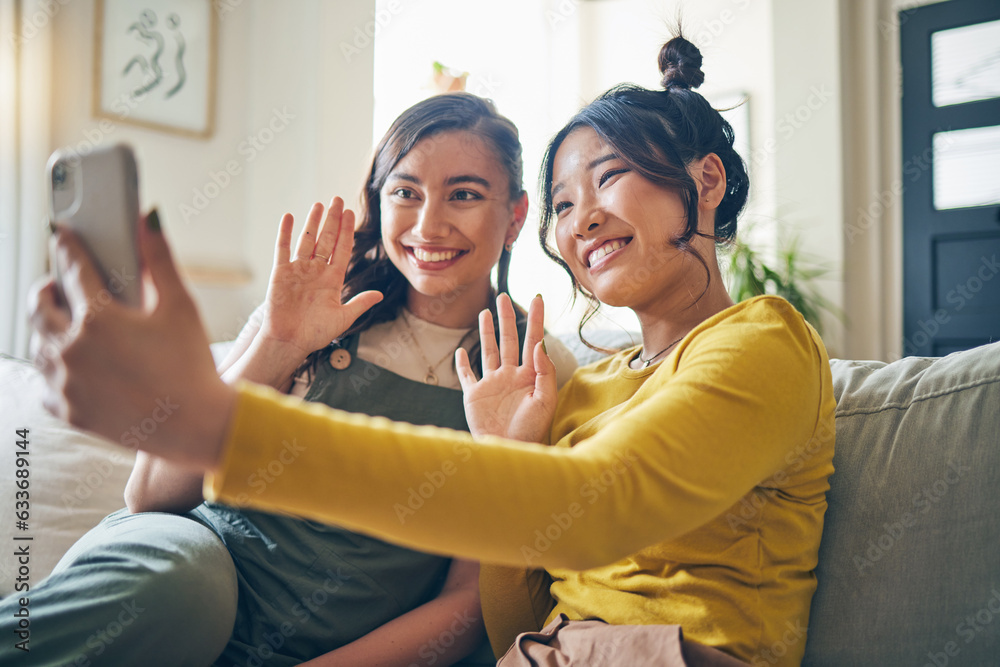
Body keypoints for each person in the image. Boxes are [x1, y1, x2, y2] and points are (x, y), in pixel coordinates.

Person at [28, 35, 835, 666]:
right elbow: (526, 607)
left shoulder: (734, 343)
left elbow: (582, 517)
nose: (582, 218)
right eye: (566, 200)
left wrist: (506, 459)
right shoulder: (590, 386)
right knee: (179, 581)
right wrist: (275, 346)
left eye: (610, 178)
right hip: (210, 565)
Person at [5, 93, 576, 666]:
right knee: (186, 586)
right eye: (406, 192)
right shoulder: (309, 307)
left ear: (517, 216)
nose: (429, 224)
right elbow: (149, 494)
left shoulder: (531, 371)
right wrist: (281, 343)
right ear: (379, 202)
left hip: (323, 650)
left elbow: (465, 602)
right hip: (180, 570)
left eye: (465, 194)